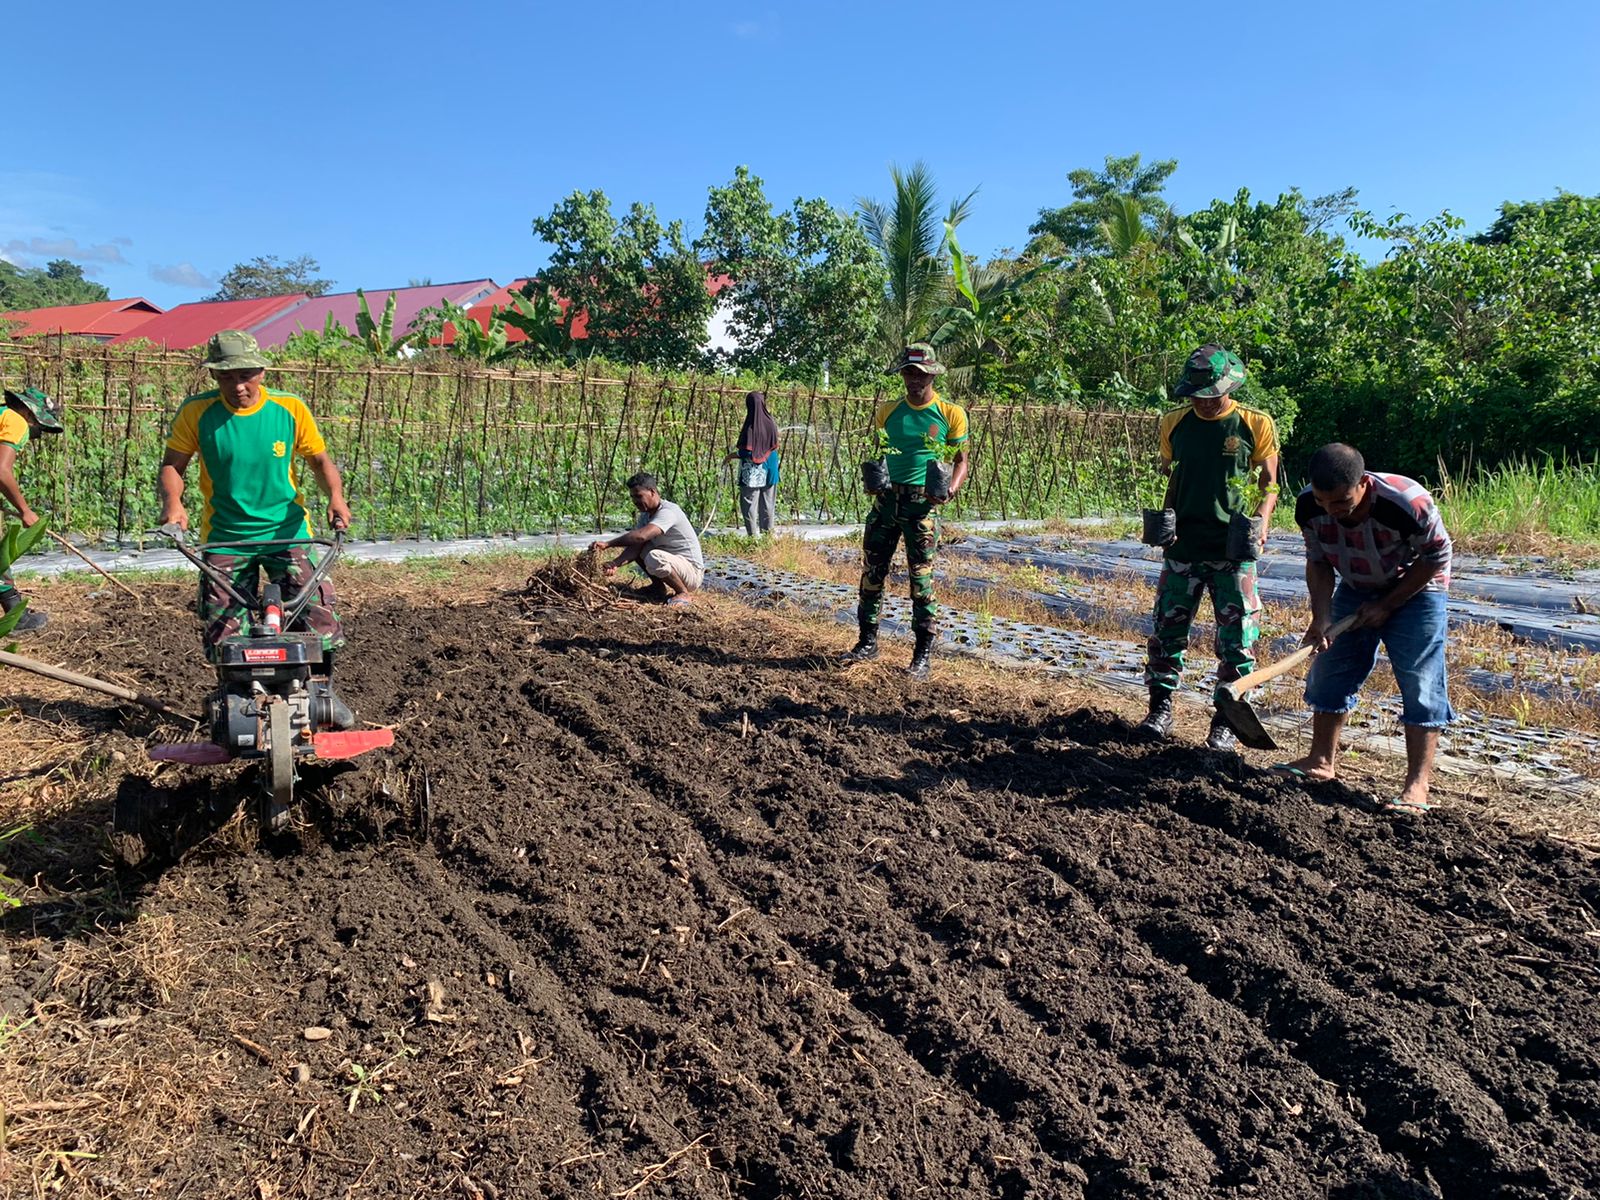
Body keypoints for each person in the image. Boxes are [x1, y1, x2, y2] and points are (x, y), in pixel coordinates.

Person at [157, 330, 354, 724]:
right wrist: (173, 504)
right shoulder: (198, 412)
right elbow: (172, 466)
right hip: (227, 535)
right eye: (225, 377)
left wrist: (335, 496)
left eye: (245, 374)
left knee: (317, 614)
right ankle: (235, 699)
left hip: (288, 530)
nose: (237, 385)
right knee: (223, 624)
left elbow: (319, 461)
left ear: (262, 371)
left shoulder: (288, 408)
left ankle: (322, 693)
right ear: (214, 377)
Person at [1274, 443, 1453, 814]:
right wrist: (1320, 616)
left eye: (1341, 502)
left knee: (1420, 681)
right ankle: (1320, 762)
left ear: (1363, 485)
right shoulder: (1309, 506)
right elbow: (1319, 561)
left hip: (1417, 589)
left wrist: (1389, 604)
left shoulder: (1406, 502)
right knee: (1329, 672)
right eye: (1324, 502)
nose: (1331, 511)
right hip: (1355, 587)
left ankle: (1416, 788)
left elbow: (1437, 555)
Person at [1138, 344, 1281, 749]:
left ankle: (1225, 723)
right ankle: (1160, 710)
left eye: (1210, 396)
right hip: (1184, 549)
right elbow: (1171, 477)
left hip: (1232, 552)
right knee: (1167, 631)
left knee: (1237, 640)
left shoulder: (1254, 423)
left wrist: (1262, 522)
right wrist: (1164, 520)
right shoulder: (1174, 423)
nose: (1202, 404)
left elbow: (1269, 484)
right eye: (1195, 397)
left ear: (1227, 389)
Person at [838, 343, 969, 680]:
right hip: (886, 504)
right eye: (909, 373)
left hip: (921, 507)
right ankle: (867, 641)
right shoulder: (888, 411)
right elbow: (882, 453)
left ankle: (922, 654)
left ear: (932, 375)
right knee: (872, 572)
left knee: (920, 580)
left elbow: (961, 463)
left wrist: (949, 491)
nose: (914, 380)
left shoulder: (950, 414)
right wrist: (874, 478)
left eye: (920, 374)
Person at [0, 387, 66, 633]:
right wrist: (25, 510)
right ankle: (15, 618)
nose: (37, 430)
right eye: (39, 423)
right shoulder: (16, 421)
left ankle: (14, 613)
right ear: (28, 410)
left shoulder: (2, 414)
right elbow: (2, 471)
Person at [592, 472, 705, 606]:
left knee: (654, 557)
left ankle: (683, 593)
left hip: (692, 572)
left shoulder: (668, 511)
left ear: (652, 492)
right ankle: (658, 587)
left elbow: (641, 536)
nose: (635, 501)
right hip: (675, 565)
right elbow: (636, 547)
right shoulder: (646, 515)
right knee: (642, 548)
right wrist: (614, 563)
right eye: (632, 497)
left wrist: (608, 544)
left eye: (639, 496)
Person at [724, 390, 780, 536]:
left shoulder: (750, 426)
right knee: (767, 504)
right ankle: (767, 536)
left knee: (749, 503)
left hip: (752, 473)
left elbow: (749, 453)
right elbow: (772, 445)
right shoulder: (770, 423)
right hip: (770, 470)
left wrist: (732, 455)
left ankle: (752, 537)